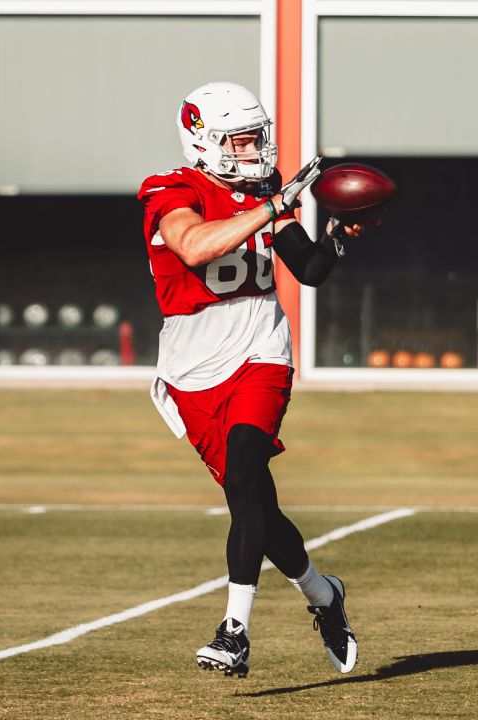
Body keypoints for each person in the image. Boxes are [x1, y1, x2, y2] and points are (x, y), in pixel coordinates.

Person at [137, 81, 371, 678]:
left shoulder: (263, 190)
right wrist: (268, 206)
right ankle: (323, 594)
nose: (252, 151)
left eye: (254, 138)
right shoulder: (170, 189)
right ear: (203, 140)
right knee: (254, 502)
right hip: (193, 361)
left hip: (261, 345)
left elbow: (309, 270)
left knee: (245, 470)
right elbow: (192, 247)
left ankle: (235, 630)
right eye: (239, 141)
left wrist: (339, 237)